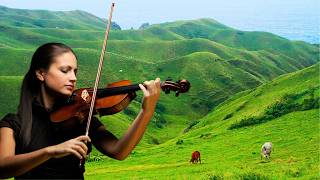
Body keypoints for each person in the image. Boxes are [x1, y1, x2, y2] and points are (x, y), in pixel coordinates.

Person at [0, 42, 161, 179]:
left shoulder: (80, 117)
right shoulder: (13, 123)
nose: (73, 78)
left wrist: (146, 112)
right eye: (65, 70)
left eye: (75, 71)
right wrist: (50, 151)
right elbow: (2, 167)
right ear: (41, 73)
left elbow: (119, 151)